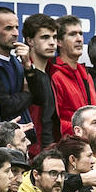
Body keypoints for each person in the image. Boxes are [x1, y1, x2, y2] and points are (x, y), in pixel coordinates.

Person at [49, 15, 96, 137]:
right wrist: (84, 131)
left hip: (87, 144)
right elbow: (55, 120)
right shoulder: (54, 74)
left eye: (80, 34)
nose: (79, 39)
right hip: (67, 146)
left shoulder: (86, 74)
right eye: (72, 34)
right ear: (59, 42)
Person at [0, 7, 34, 125]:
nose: (16, 33)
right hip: (0, 134)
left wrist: (27, 65)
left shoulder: (17, 62)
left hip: (22, 134)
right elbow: (5, 106)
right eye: (8, 28)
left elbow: (40, 98)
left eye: (16, 27)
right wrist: (27, 94)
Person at [22, 13, 61, 152]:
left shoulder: (53, 73)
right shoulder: (22, 72)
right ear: (30, 41)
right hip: (29, 151)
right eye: (45, 37)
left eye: (54, 37)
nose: (52, 42)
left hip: (49, 151)